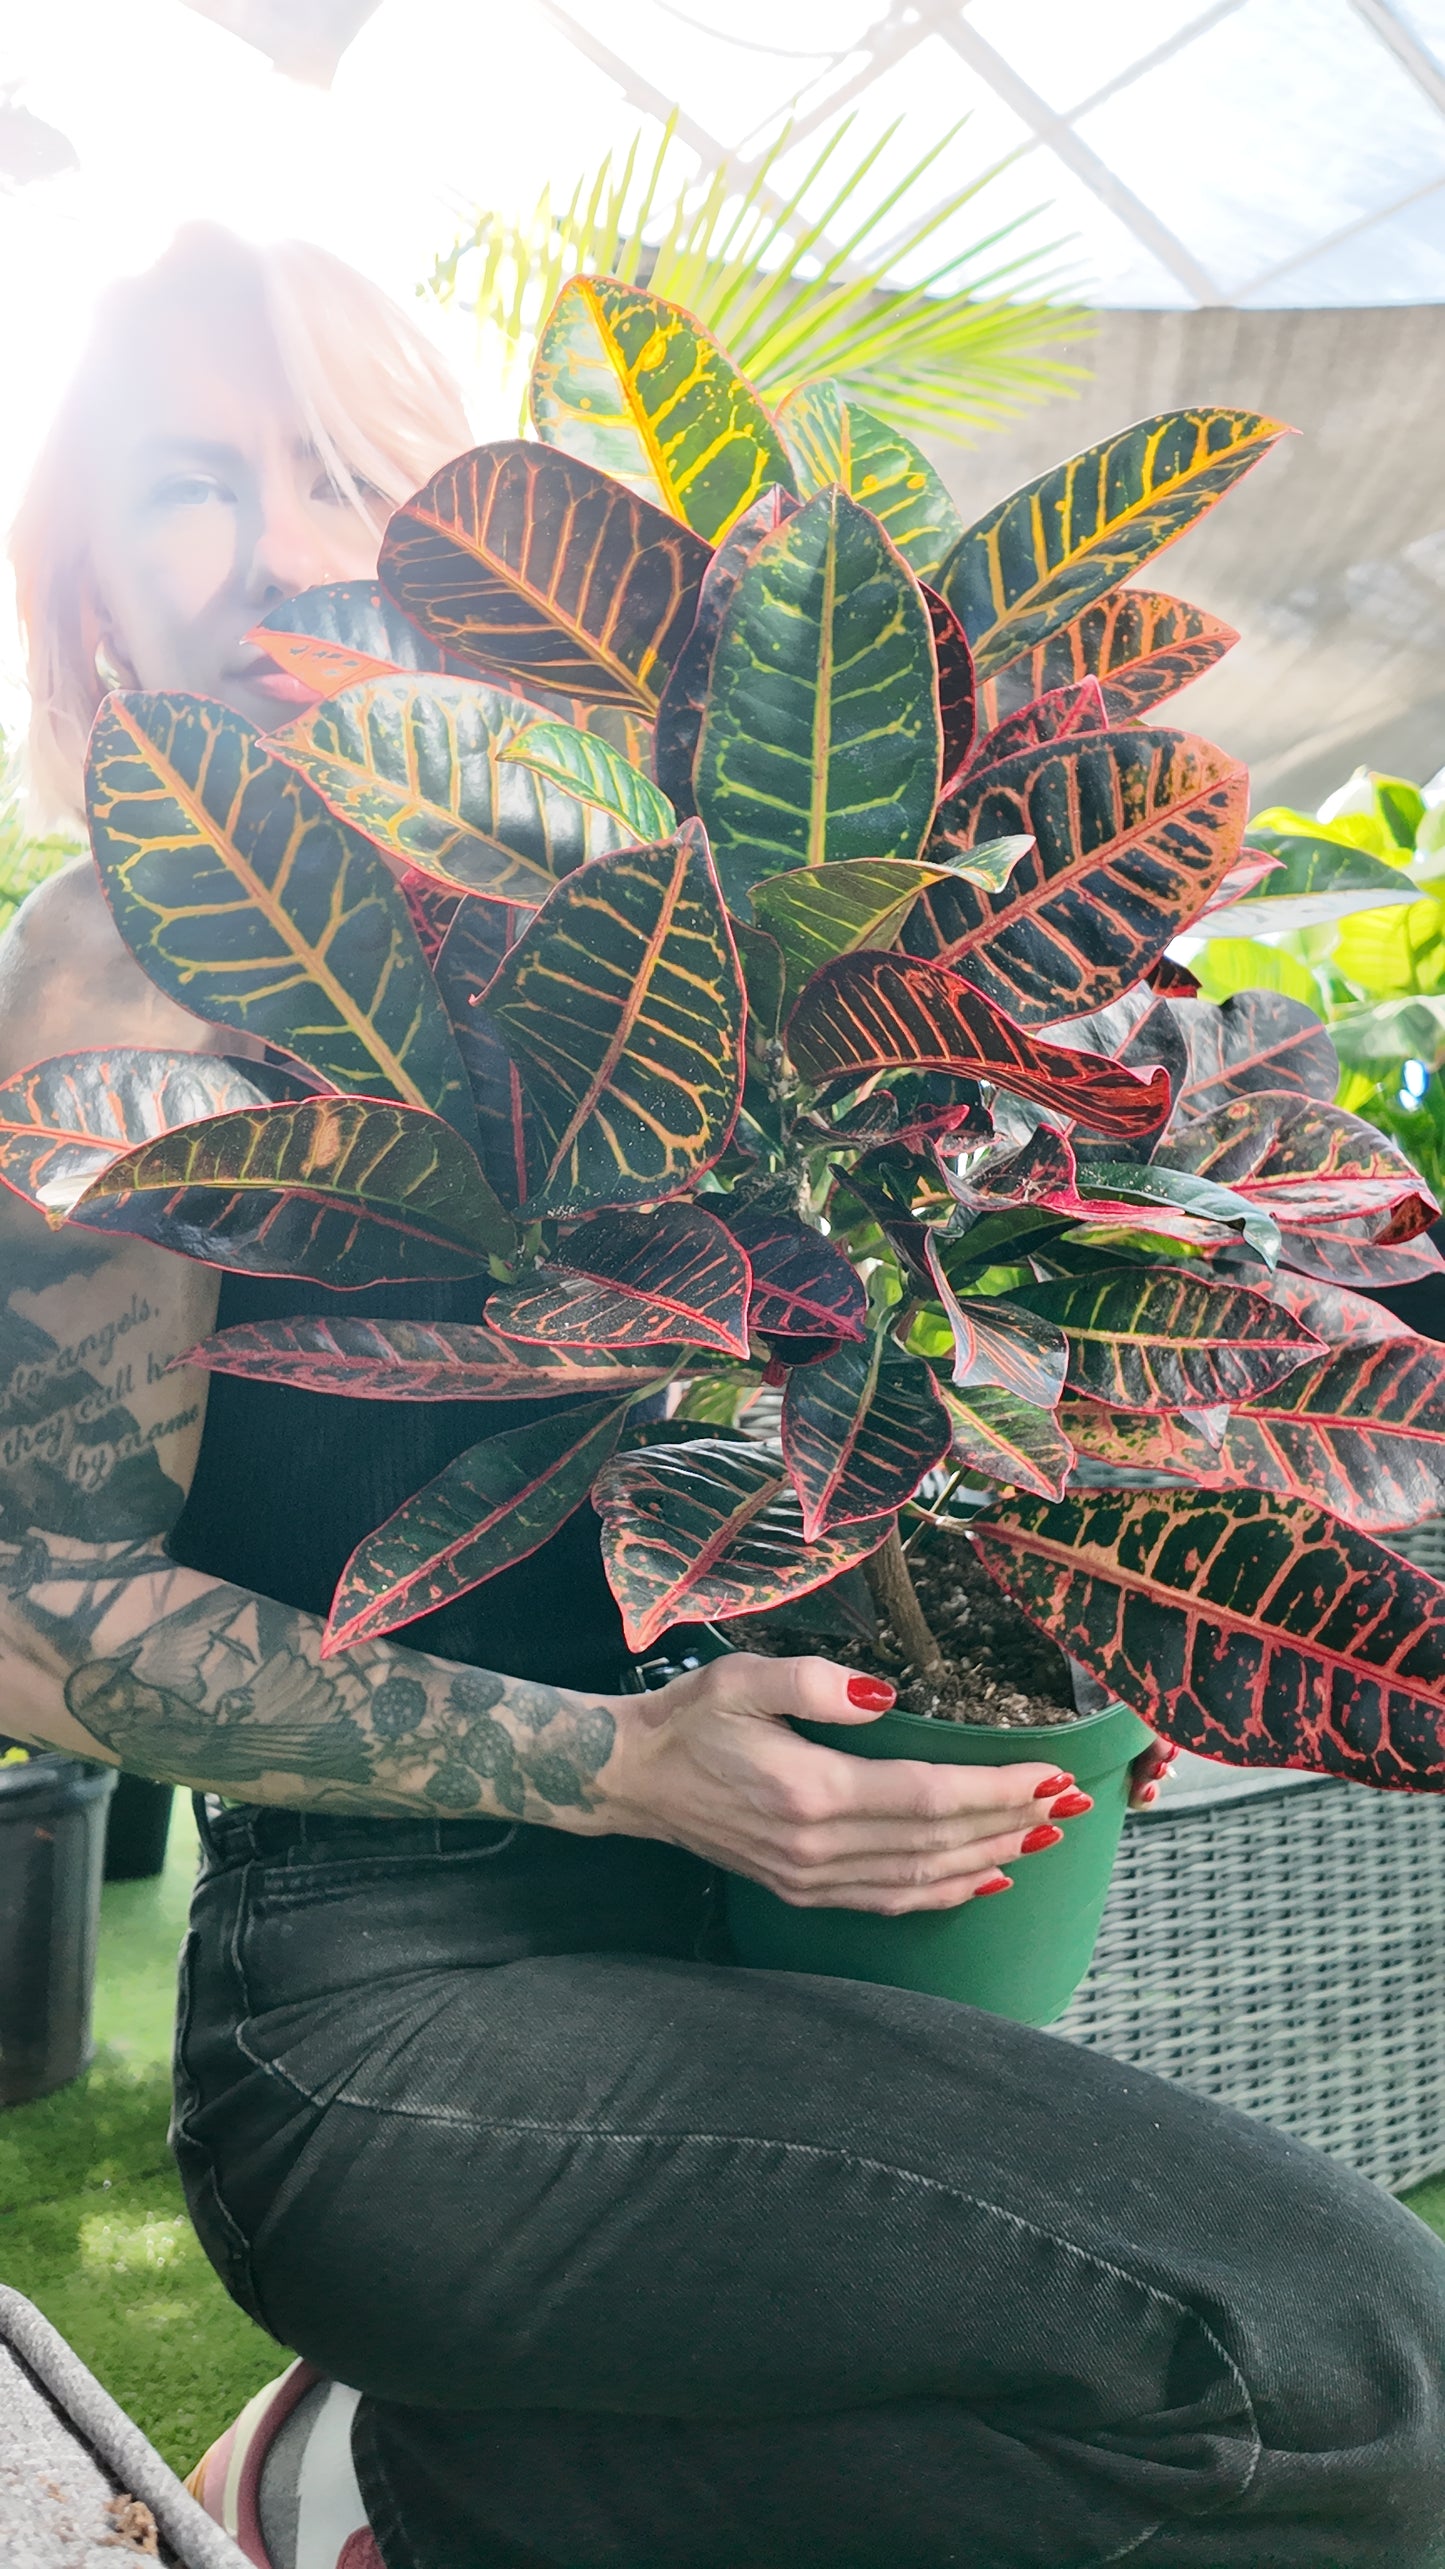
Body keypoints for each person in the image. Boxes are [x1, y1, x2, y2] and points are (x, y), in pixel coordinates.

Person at [3, 223, 1444, 2569]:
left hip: (794, 1941)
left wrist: (1053, 1592)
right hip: (398, 2007)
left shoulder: (643, 907)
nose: (280, 544)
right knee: (1338, 2370)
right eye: (189, 483)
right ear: (88, 572)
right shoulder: (112, 990)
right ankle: (421, 2468)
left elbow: (849, 1351)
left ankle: (437, 2478)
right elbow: (24, 1609)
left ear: (477, 539)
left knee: (1266, 2387)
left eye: (347, 470)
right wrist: (620, 1767)